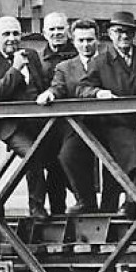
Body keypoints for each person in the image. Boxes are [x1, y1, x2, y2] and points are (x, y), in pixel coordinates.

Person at [77, 10, 136, 217]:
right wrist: (98, 92)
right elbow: (82, 88)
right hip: (114, 123)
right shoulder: (100, 61)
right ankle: (133, 204)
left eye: (129, 32)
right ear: (110, 34)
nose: (124, 36)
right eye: (119, 32)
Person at [0, 15, 60, 219]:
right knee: (33, 155)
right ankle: (36, 208)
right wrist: (16, 69)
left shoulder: (31, 54)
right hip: (10, 125)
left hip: (37, 120)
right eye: (6, 34)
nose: (12, 38)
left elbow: (41, 85)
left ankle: (60, 208)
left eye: (16, 33)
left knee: (60, 152)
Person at [38, 18, 105, 215]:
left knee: (118, 157)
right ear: (74, 42)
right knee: (68, 156)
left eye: (90, 40)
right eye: (81, 40)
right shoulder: (65, 67)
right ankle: (87, 201)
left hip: (109, 123)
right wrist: (50, 94)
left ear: (98, 40)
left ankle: (113, 205)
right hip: (81, 126)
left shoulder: (109, 61)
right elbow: (57, 86)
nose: (86, 45)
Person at [38, 11, 76, 214]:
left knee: (76, 166)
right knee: (54, 169)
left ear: (68, 31)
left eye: (60, 28)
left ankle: (89, 210)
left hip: (76, 123)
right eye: (51, 29)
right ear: (44, 33)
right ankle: (57, 214)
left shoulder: (78, 53)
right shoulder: (40, 61)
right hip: (50, 124)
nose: (56, 33)